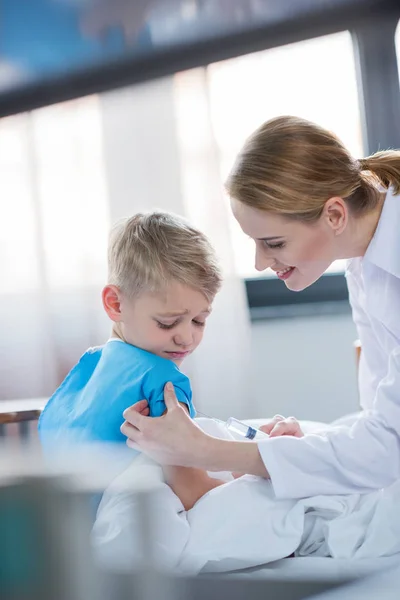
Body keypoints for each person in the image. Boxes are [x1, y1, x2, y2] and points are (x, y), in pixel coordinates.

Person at [121, 115, 400, 499]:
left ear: (334, 215)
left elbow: (387, 450)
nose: (259, 262)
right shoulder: (363, 261)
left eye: (274, 243)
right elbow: (382, 426)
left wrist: (207, 451)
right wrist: (298, 449)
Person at [39, 211, 225, 509]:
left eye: (199, 321)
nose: (186, 338)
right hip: (126, 536)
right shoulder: (164, 382)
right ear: (116, 304)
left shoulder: (88, 368)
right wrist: (253, 476)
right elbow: (193, 493)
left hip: (65, 535)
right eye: (168, 322)